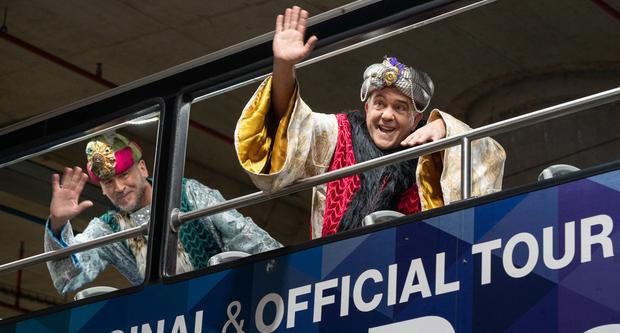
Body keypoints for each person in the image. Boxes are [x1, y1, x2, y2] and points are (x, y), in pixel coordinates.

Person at [234, 6, 506, 239]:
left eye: (400, 108)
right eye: (379, 104)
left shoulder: (432, 152)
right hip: (334, 272)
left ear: (415, 120)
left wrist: (447, 130)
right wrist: (284, 66)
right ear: (366, 109)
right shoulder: (339, 135)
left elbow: (488, 158)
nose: (387, 115)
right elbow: (289, 126)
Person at [44, 133, 281, 295]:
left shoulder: (187, 194)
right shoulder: (108, 227)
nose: (118, 187)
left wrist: (292, 271)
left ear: (143, 168)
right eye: (108, 182)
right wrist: (57, 224)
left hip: (225, 303)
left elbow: (245, 236)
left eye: (124, 174)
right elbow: (67, 280)